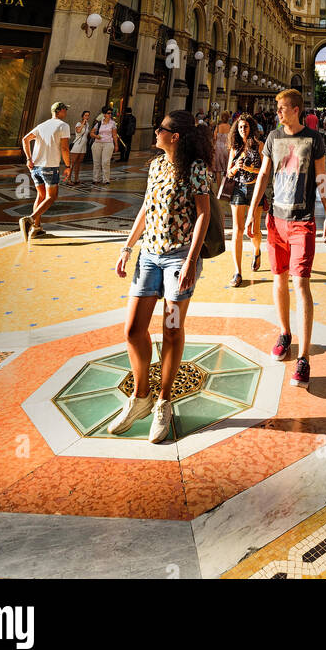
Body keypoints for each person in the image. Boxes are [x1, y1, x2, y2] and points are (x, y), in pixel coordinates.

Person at [110, 111, 211, 443]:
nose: (155, 132)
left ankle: (164, 401)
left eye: (161, 129)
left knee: (170, 330)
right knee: (133, 330)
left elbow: (202, 214)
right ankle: (141, 398)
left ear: (175, 136)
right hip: (149, 258)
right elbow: (145, 207)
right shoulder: (155, 166)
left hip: (179, 260)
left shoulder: (194, 169)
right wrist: (127, 246)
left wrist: (191, 261)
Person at [246, 88, 326, 388]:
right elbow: (264, 175)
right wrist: (252, 213)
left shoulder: (314, 138)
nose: (277, 112)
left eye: (281, 107)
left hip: (303, 221)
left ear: (295, 109)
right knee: (279, 279)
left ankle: (304, 357)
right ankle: (285, 333)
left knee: (301, 283)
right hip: (275, 220)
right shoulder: (272, 138)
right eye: (276, 107)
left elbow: (321, 177)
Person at [20, 102, 72, 241]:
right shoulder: (63, 126)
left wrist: (29, 159)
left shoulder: (42, 125)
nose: (66, 113)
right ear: (59, 111)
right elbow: (65, 149)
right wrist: (68, 166)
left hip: (35, 166)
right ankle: (30, 220)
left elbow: (25, 139)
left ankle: (36, 229)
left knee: (41, 195)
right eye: (65, 110)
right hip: (50, 166)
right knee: (51, 197)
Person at [225, 114, 264, 285]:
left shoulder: (259, 146)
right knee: (238, 230)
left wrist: (249, 168)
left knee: (254, 231)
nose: (243, 130)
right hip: (238, 190)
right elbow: (228, 173)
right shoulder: (235, 148)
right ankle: (237, 272)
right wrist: (235, 167)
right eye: (240, 127)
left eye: (246, 127)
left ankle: (256, 250)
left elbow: (264, 172)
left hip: (255, 189)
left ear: (251, 128)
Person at [90, 107, 119, 185]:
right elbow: (91, 133)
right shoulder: (99, 123)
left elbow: (115, 135)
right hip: (97, 144)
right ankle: (96, 179)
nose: (110, 115)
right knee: (96, 162)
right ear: (104, 114)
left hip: (108, 144)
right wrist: (96, 136)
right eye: (108, 113)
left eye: (111, 113)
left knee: (105, 162)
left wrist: (116, 145)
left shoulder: (113, 123)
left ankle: (106, 179)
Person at [67, 110, 91, 185]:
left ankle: (76, 179)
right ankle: (68, 179)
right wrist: (83, 123)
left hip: (83, 145)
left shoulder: (88, 125)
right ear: (82, 116)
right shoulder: (79, 123)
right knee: (72, 163)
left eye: (88, 115)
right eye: (85, 115)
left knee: (78, 163)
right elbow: (78, 131)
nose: (87, 117)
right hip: (77, 144)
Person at [212, 112, 231, 187]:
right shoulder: (230, 127)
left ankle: (219, 188)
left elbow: (214, 138)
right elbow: (231, 139)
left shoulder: (218, 127)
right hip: (227, 149)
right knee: (227, 169)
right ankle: (225, 188)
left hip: (218, 149)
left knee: (218, 170)